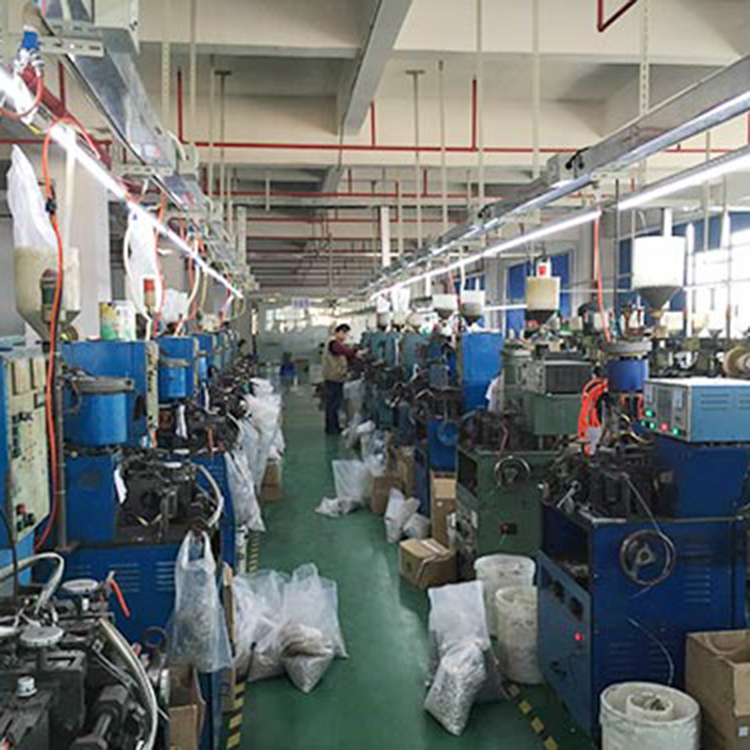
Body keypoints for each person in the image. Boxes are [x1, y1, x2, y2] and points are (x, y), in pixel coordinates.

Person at [321, 323, 361, 435]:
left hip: (335, 377)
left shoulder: (335, 343)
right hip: (333, 377)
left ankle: (333, 426)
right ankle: (331, 428)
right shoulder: (333, 343)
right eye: (344, 333)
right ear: (338, 332)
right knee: (333, 404)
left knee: (333, 404)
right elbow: (343, 351)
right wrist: (355, 353)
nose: (345, 337)